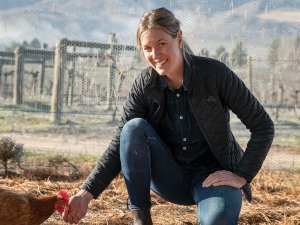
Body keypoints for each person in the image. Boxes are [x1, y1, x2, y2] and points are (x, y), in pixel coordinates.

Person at [63, 7, 275, 225]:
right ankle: (141, 219)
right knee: (133, 128)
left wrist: (241, 175)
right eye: (148, 48)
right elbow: (121, 143)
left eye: (162, 44)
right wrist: (85, 194)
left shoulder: (214, 74)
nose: (155, 55)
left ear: (179, 38)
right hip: (169, 177)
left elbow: (263, 126)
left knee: (217, 220)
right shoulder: (144, 86)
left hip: (214, 178)